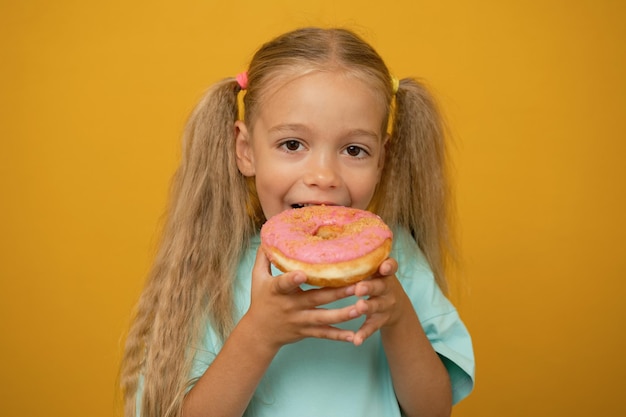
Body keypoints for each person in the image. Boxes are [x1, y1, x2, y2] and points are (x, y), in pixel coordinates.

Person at [120, 27, 475, 417]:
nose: (324, 176)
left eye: (354, 149)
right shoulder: (212, 266)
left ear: (381, 161)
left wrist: (398, 317)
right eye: (292, 145)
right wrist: (259, 334)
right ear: (246, 151)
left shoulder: (395, 260)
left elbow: (433, 409)